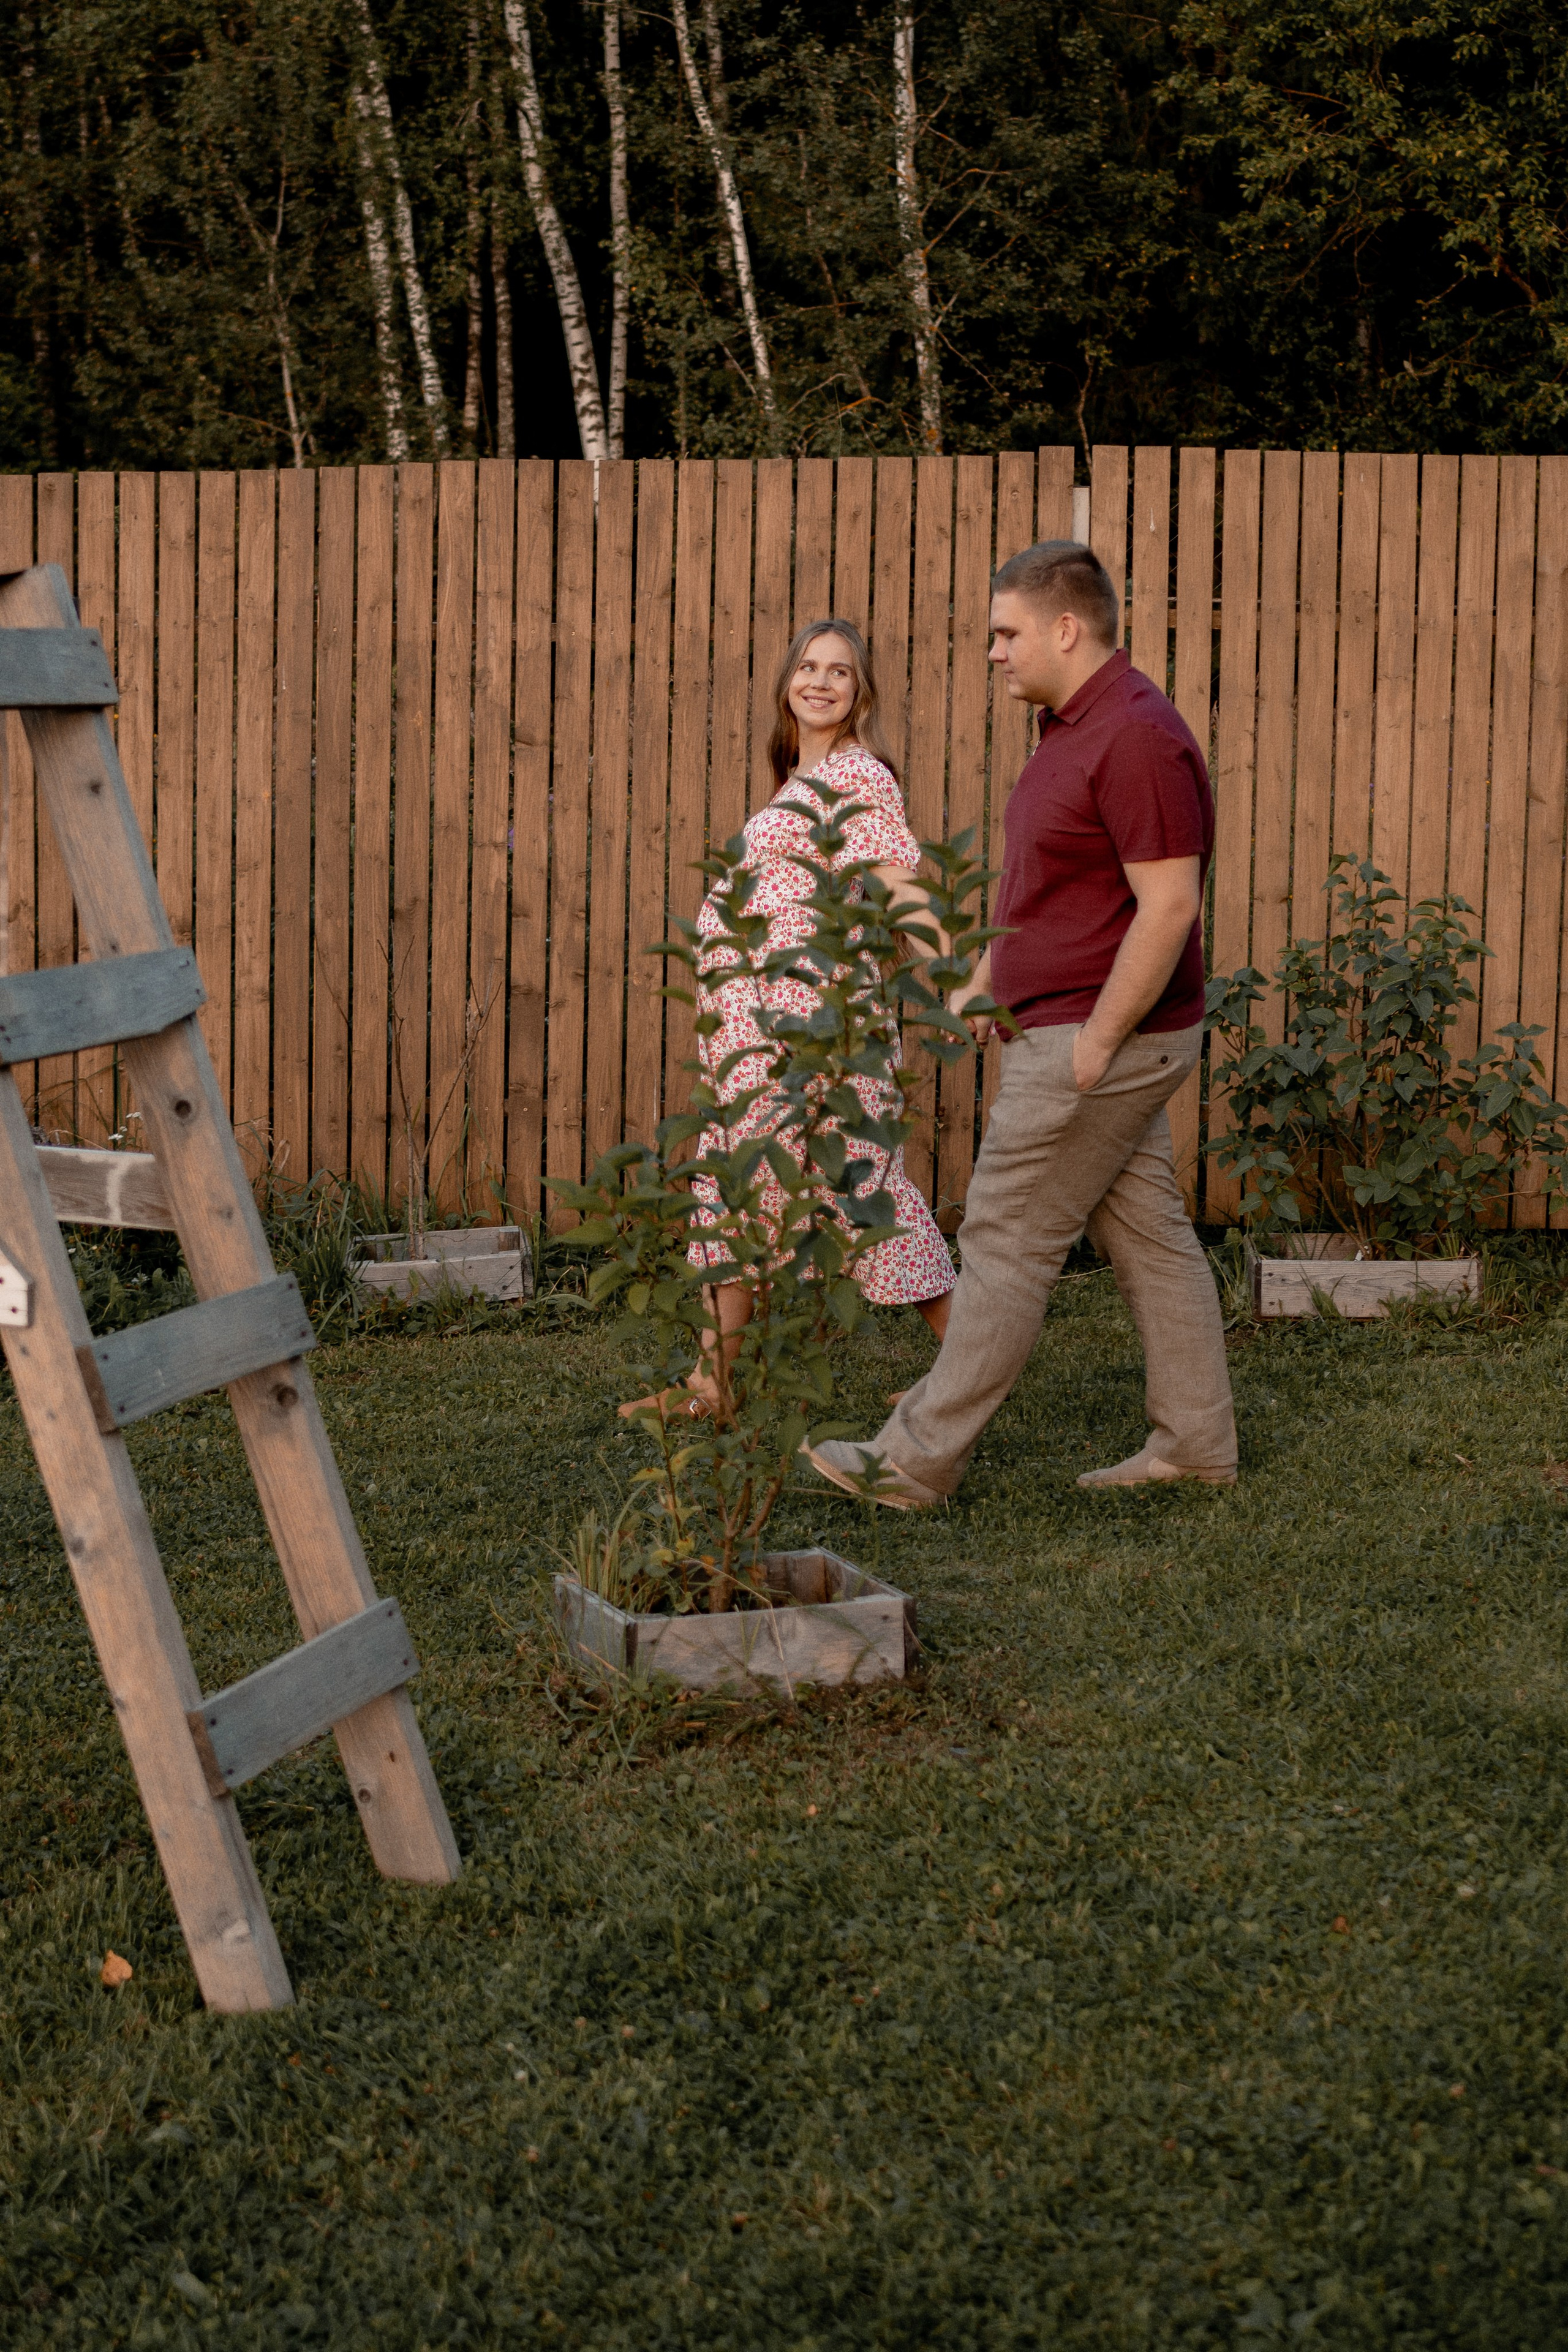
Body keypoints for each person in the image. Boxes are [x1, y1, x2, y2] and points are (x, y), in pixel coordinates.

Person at [805, 540, 1237, 1506]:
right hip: (1065, 1024)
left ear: (1065, 628)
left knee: (1003, 1239)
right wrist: (986, 986)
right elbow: (1056, 896)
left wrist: (1092, 1044)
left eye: (1006, 633)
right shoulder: (1069, 729)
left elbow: (1168, 907)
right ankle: (1197, 1444)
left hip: (1100, 1038)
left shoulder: (1135, 736)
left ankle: (914, 1461)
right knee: (1152, 1236)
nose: (993, 651)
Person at [620, 618, 956, 1422]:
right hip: (754, 1047)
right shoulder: (796, 786)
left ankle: (975, 1369)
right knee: (737, 1192)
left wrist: (957, 972)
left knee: (867, 1191)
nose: (821, 681)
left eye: (840, 672)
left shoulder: (857, 777)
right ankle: (712, 1386)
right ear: (786, 685)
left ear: (859, 694)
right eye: (809, 666)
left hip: (812, 1045)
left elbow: (898, 883)